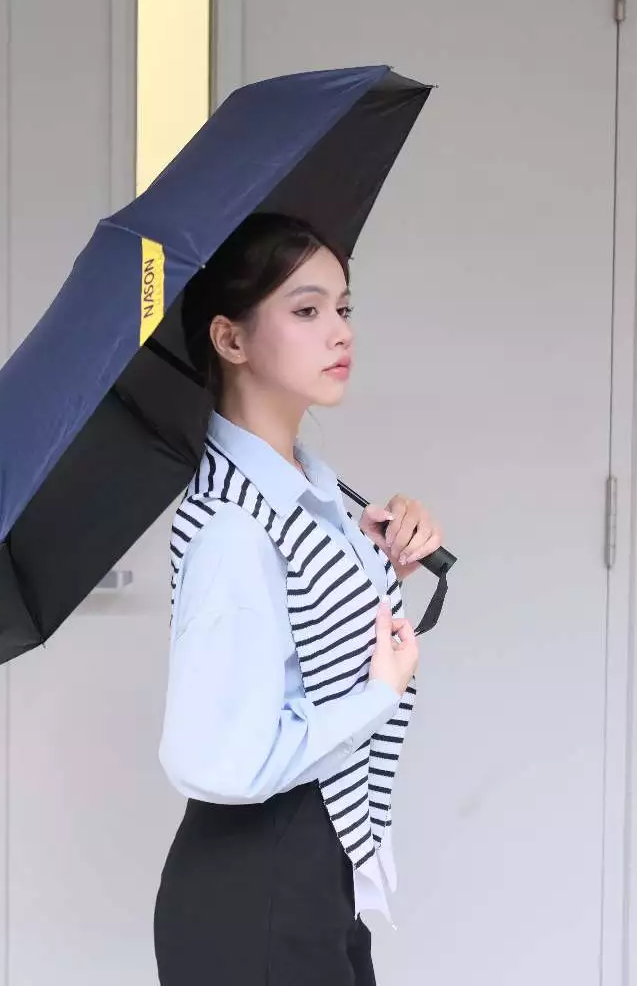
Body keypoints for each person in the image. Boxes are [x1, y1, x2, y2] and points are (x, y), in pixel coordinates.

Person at [153, 212, 443, 986]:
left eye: (343, 308)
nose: (340, 332)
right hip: (259, 894)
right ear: (230, 339)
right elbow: (216, 760)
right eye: (307, 310)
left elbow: (302, 652)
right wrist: (378, 694)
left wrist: (380, 564)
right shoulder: (234, 527)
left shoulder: (306, 491)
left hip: (312, 881)